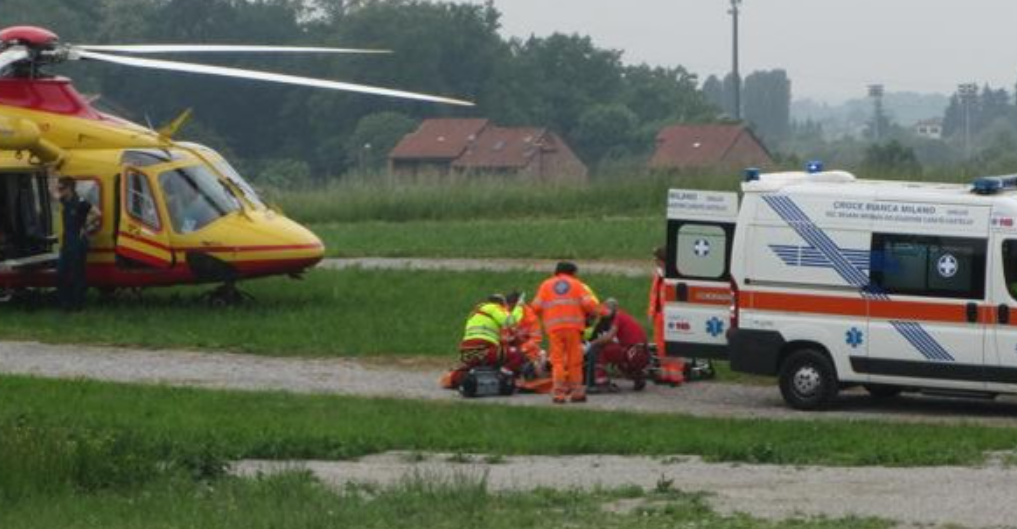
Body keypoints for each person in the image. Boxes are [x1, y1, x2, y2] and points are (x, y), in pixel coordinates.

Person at [532, 262, 601, 404]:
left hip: (554, 328)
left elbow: (536, 306)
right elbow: (589, 305)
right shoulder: (577, 285)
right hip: (573, 327)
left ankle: (559, 394)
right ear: (572, 273)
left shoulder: (546, 285)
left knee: (557, 361)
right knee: (575, 361)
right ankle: (576, 393)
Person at [445, 294, 527, 389]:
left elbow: (486, 334)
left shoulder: (476, 313)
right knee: (517, 354)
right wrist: (519, 306)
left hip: (467, 352)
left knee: (479, 365)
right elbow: (510, 321)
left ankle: (457, 378)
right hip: (482, 349)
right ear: (501, 304)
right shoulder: (493, 307)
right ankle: (503, 377)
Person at [55, 176, 101, 311]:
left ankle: (78, 306)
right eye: (59, 188)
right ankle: (65, 305)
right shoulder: (64, 200)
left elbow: (98, 214)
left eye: (61, 188)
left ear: (69, 188)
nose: (59, 191)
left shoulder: (80, 202)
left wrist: (85, 225)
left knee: (77, 274)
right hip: (67, 243)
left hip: (78, 242)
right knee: (61, 273)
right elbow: (54, 196)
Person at [586, 299, 652, 392]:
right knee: (618, 355)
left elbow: (609, 337)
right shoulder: (625, 317)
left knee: (603, 350)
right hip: (642, 354)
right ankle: (638, 377)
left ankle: (601, 382)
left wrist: (592, 343)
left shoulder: (618, 317)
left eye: (607, 308)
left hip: (634, 353)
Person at [649, 246, 684, 384]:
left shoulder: (674, 275)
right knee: (661, 346)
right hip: (659, 315)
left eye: (656, 258)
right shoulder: (660, 274)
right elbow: (654, 295)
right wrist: (651, 312)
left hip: (671, 315)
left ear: (663, 260)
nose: (655, 261)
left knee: (674, 344)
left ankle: (675, 374)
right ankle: (665, 373)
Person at [505, 290, 546, 379]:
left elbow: (536, 339)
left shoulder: (530, 316)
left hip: (527, 350)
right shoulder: (505, 313)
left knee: (540, 357)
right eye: (508, 305)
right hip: (511, 348)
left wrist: (522, 349)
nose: (509, 308)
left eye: (511, 306)